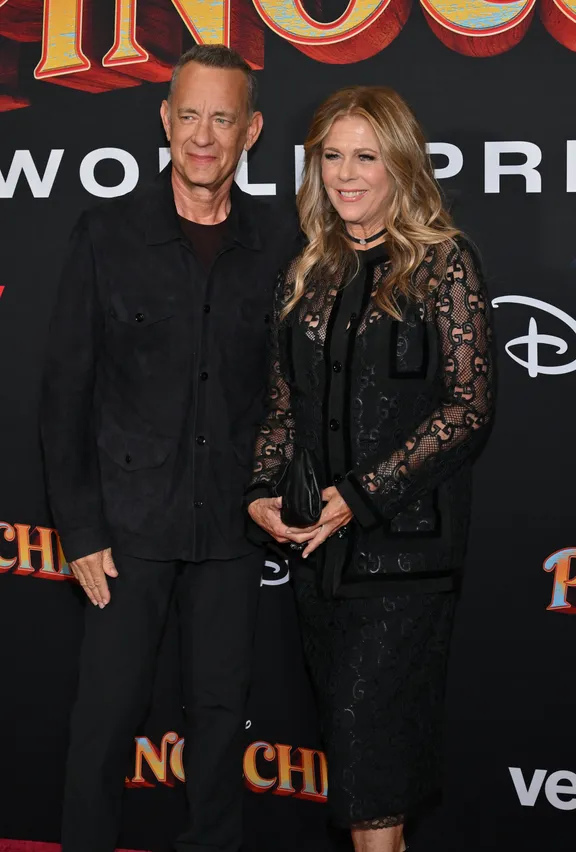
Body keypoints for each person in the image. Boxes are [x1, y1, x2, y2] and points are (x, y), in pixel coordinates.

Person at [40, 44, 297, 852]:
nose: (203, 136)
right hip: (126, 533)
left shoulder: (280, 244)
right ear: (164, 119)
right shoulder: (106, 233)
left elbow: (292, 391)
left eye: (222, 118)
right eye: (189, 115)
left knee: (222, 722)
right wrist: (81, 530)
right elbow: (65, 393)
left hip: (232, 528)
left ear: (251, 130)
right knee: (104, 721)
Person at [246, 86, 495, 852]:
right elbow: (283, 407)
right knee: (368, 782)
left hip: (405, 566)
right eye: (333, 156)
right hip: (321, 567)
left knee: (369, 778)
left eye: (366, 156)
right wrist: (261, 491)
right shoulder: (306, 271)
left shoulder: (442, 264)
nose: (346, 174)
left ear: (400, 165)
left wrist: (359, 495)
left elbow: (468, 408)